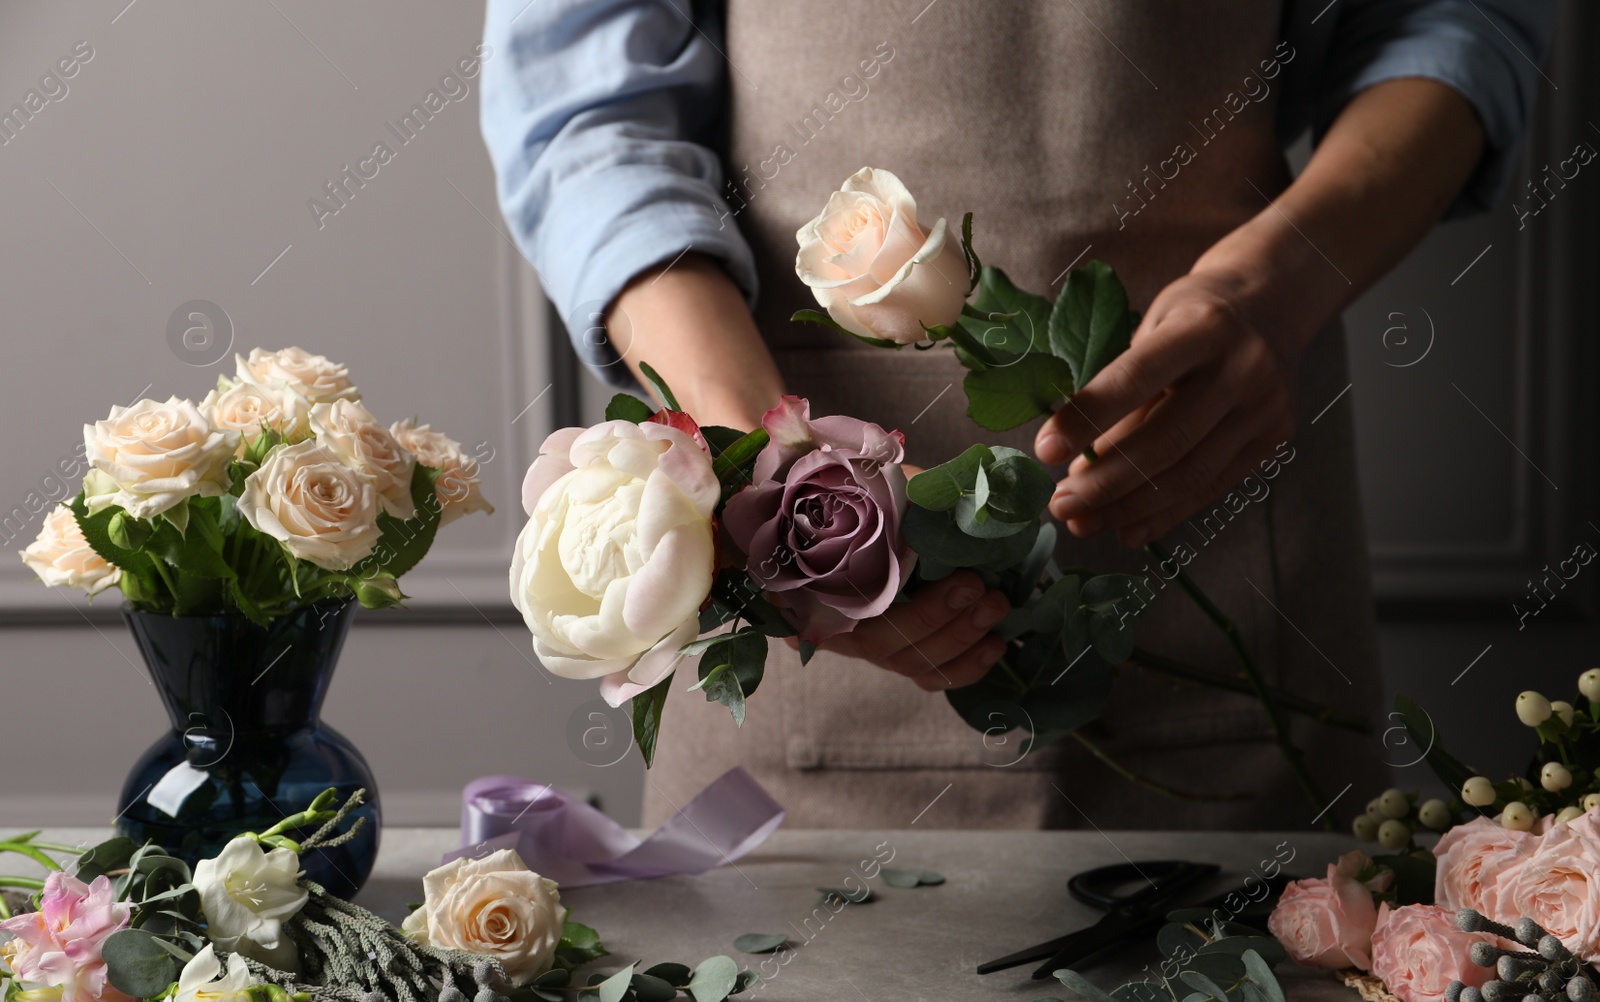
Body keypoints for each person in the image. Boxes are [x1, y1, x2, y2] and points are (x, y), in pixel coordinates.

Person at [480, 0, 1555, 830]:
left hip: (1237, 564)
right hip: (803, 654)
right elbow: (587, 122)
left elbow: (1454, 19)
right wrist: (769, 486)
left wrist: (1281, 284)